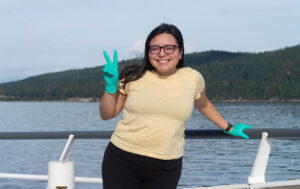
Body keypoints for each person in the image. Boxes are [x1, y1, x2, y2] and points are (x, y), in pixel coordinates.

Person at [99, 23, 252, 189]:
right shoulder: (133, 77)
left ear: (180, 52)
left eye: (169, 48)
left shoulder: (193, 78)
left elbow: (204, 104)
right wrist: (111, 88)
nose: (162, 53)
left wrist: (228, 127)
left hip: (167, 166)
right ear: (148, 52)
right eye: (155, 48)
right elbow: (107, 114)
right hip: (122, 160)